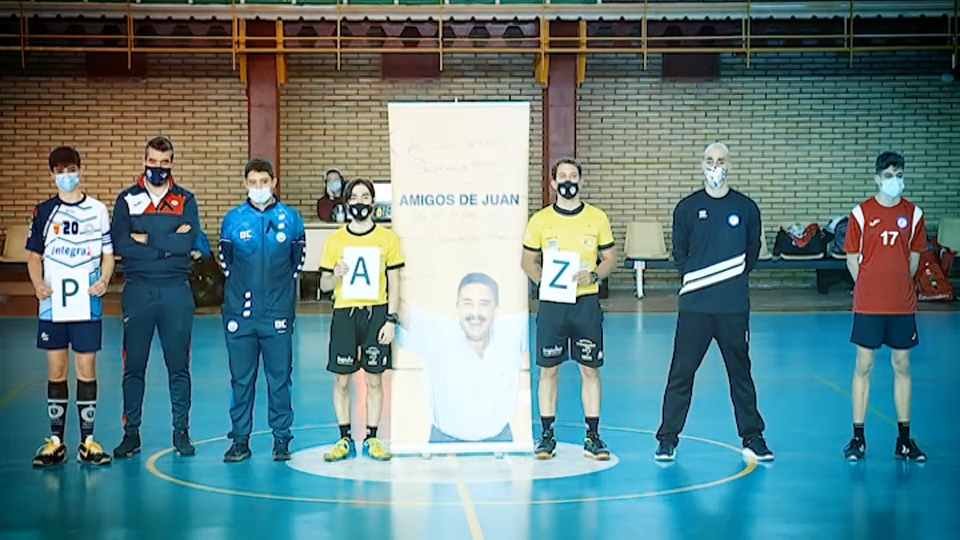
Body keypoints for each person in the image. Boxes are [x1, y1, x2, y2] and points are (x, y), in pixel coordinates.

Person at [653, 142, 772, 462]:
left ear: (729, 164)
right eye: (709, 160)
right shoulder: (687, 208)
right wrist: (698, 280)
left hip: (733, 307)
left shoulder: (746, 208)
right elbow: (680, 254)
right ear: (701, 164)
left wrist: (728, 281)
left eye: (720, 161)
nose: (715, 165)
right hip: (695, 307)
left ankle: (753, 436)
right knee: (681, 373)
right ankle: (667, 438)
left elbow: (751, 254)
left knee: (741, 373)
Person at [521, 157, 617, 461]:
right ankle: (546, 436)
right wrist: (543, 283)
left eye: (573, 175)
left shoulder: (597, 217)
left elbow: (610, 258)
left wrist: (596, 274)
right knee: (548, 369)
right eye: (561, 175)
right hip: (553, 305)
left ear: (580, 181)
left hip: (586, 303)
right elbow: (527, 261)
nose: (567, 180)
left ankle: (593, 436)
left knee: (590, 369)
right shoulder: (539, 220)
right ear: (552, 183)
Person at [111, 136, 201, 458]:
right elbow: (120, 243)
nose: (158, 168)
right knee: (133, 366)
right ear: (144, 160)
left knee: (179, 366)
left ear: (172, 163)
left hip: (177, 290)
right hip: (137, 290)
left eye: (165, 162)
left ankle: (181, 433)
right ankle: (131, 434)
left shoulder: (185, 200)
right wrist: (166, 242)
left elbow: (187, 243)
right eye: (153, 161)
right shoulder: (127, 199)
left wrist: (146, 239)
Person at [26, 146, 114, 467]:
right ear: (52, 175)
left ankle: (87, 442)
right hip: (53, 305)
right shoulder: (43, 212)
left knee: (86, 369)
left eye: (71, 169)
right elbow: (34, 256)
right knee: (57, 369)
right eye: (60, 171)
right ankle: (56, 441)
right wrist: (37, 284)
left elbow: (107, 254)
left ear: (80, 170)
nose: (67, 176)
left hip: (86, 302)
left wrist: (104, 280)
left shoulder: (98, 210)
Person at [842, 151, 927, 462]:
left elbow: (914, 261)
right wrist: (869, 286)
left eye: (899, 174)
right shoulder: (861, 214)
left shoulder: (914, 215)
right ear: (877, 178)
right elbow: (852, 258)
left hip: (902, 305)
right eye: (888, 175)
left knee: (902, 366)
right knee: (863, 366)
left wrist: (896, 285)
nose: (894, 181)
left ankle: (904, 440)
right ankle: (857, 438)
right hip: (869, 304)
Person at [218, 159, 305, 462]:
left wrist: (278, 299)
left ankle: (281, 439)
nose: (258, 187)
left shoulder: (291, 218)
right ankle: (240, 440)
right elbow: (226, 263)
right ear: (245, 184)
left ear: (274, 181)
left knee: (279, 380)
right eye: (252, 182)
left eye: (263, 181)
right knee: (241, 380)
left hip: (278, 314)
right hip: (240, 315)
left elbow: (297, 263)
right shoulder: (233, 219)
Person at [319, 178, 404, 462]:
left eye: (365, 196)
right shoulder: (335, 241)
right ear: (347, 201)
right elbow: (324, 284)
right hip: (345, 314)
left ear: (373, 202)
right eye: (354, 196)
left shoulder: (387, 239)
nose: (359, 201)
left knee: (375, 379)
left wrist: (391, 319)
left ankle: (372, 438)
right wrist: (336, 274)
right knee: (342, 380)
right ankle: (344, 438)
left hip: (376, 314)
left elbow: (394, 281)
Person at [397, 272, 527, 443]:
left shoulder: (512, 331)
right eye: (467, 303)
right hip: (444, 448)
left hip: (499, 446)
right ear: (457, 306)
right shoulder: (438, 333)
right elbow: (401, 309)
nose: (475, 312)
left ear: (496, 309)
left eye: (484, 304)